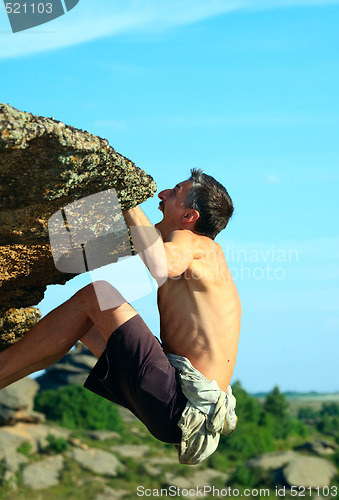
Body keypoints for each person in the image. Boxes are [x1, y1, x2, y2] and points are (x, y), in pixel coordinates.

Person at [0, 168, 241, 464]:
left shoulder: (196, 244)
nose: (161, 195)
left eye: (174, 192)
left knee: (97, 295)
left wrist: (125, 198)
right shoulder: (194, 254)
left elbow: (158, 267)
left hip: (179, 405)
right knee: (88, 322)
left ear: (189, 217)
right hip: (174, 408)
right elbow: (131, 265)